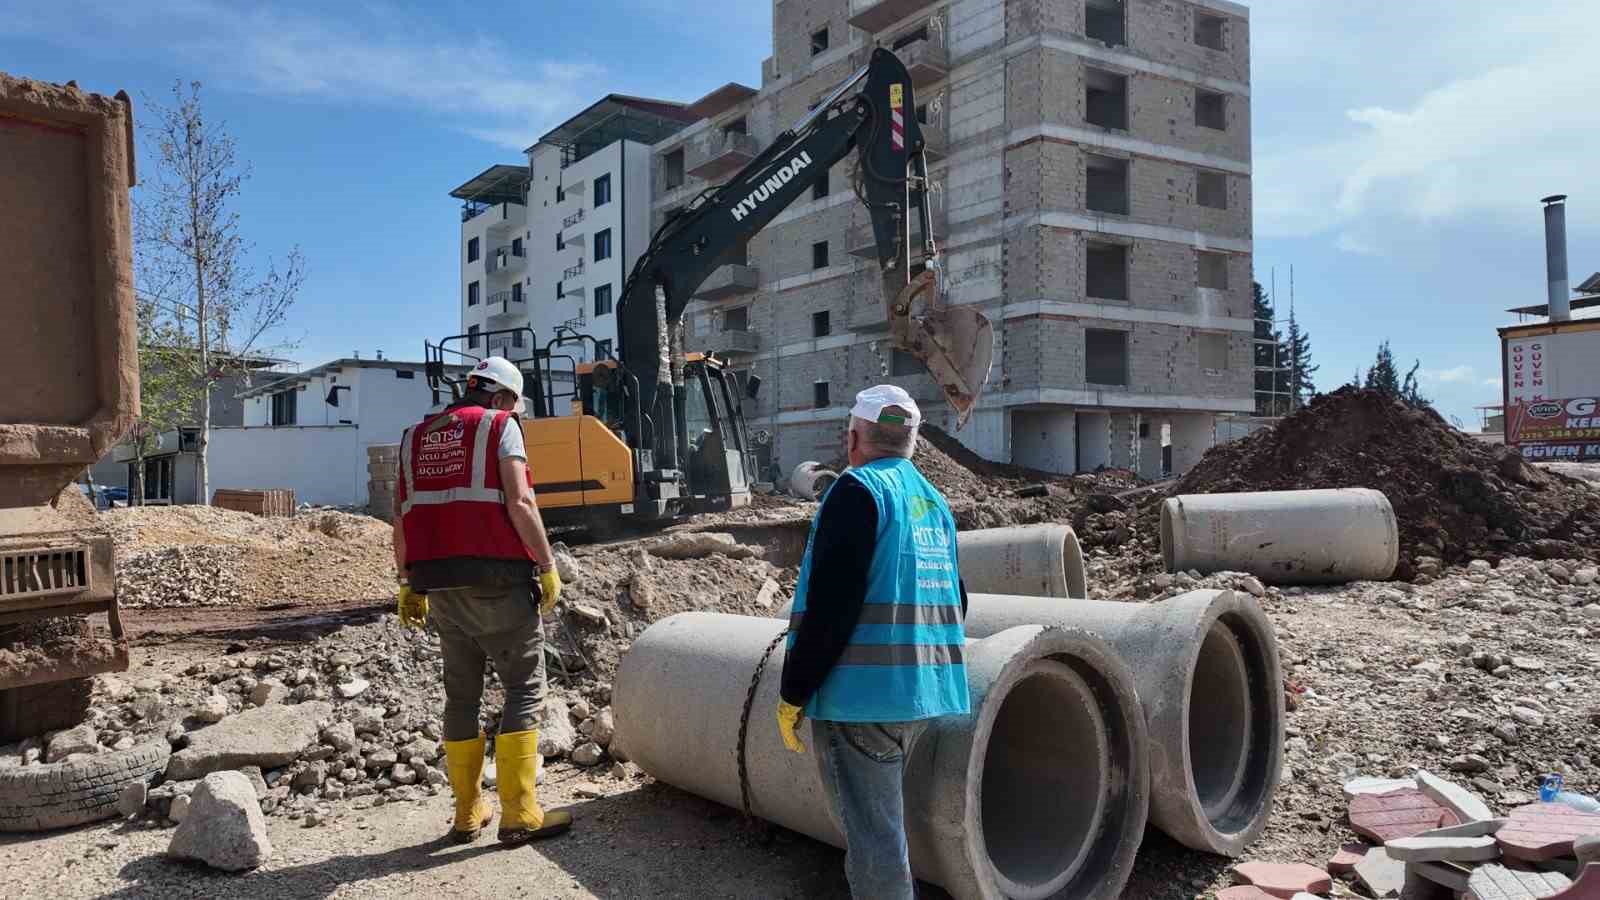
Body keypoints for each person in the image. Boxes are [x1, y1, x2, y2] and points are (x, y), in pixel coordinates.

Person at [776, 384, 969, 899]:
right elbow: (959, 600)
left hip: (861, 703)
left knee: (875, 841)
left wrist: (794, 691)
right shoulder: (933, 501)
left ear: (853, 436)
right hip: (924, 695)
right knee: (884, 831)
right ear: (912, 443)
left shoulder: (857, 490)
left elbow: (833, 608)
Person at [392, 356, 573, 845]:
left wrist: (407, 581)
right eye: (514, 406)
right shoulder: (500, 427)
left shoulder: (415, 437)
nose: (515, 415)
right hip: (498, 581)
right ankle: (520, 814)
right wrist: (547, 563)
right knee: (523, 690)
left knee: (462, 697)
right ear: (500, 398)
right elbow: (520, 500)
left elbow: (403, 515)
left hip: (440, 586)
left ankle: (468, 814)